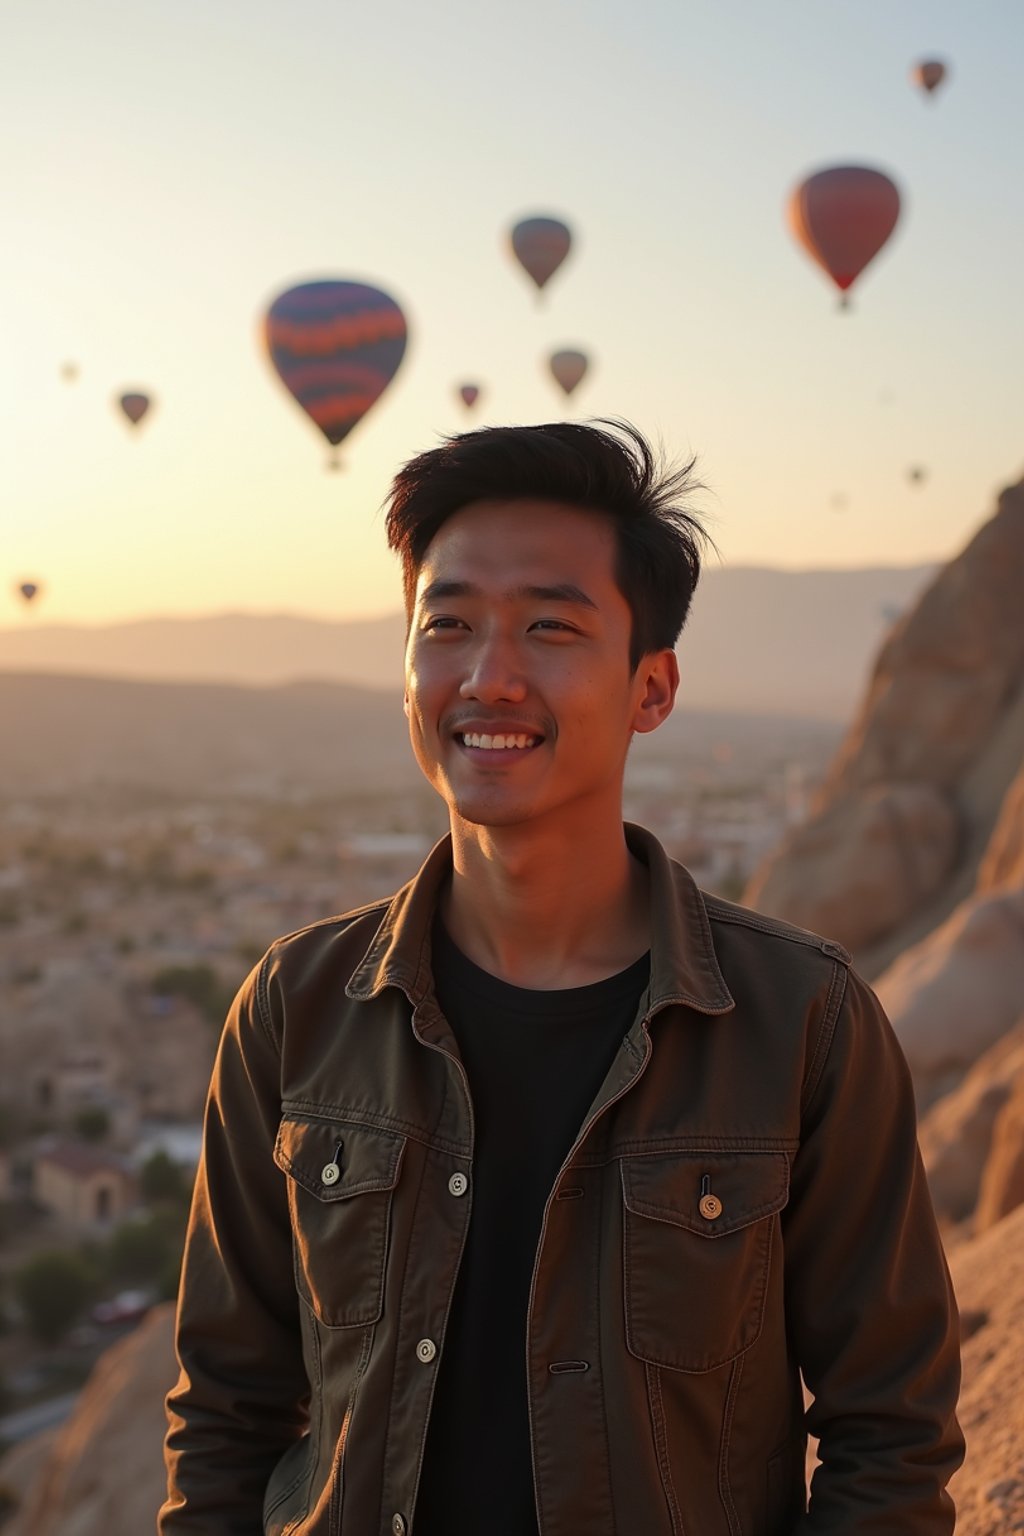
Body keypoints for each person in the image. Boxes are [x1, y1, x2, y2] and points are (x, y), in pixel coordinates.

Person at [161, 420, 964, 1536]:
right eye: (446, 626)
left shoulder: (803, 1024)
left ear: (651, 687)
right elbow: (225, 1415)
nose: (489, 678)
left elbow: (890, 1431)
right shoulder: (296, 1009)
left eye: (549, 628)